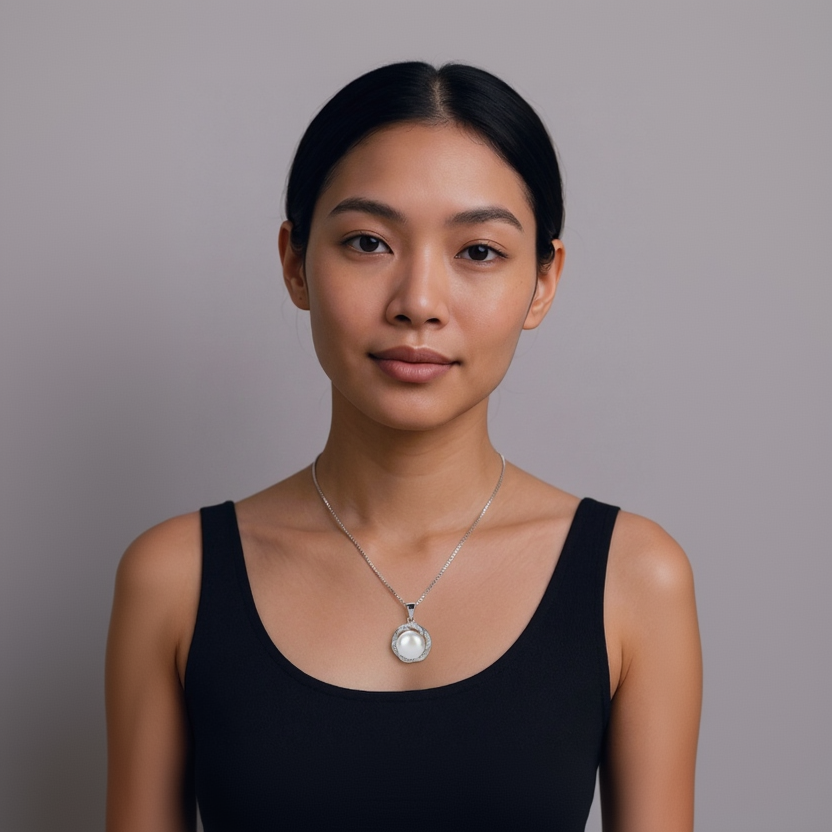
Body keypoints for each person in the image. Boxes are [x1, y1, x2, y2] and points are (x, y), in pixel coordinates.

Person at [105, 62, 702, 831]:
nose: (419, 302)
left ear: (544, 282)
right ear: (295, 261)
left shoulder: (635, 577)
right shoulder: (173, 577)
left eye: (478, 252)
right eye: (367, 242)